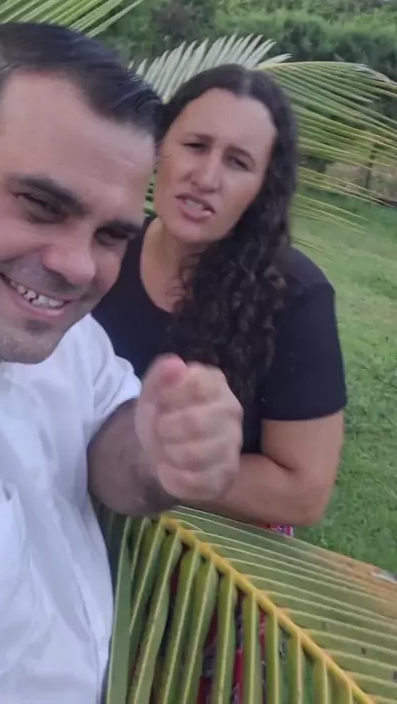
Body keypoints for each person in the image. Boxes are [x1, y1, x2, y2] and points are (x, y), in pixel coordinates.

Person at [0, 23, 244, 703]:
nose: (77, 266)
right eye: (42, 205)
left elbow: (107, 439)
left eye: (111, 235)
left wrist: (161, 451)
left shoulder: (71, 339)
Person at [93, 64, 347, 702]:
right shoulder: (102, 248)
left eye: (238, 162)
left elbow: (304, 492)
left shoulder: (294, 296)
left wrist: (155, 461)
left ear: (262, 187)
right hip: (82, 531)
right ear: (160, 146)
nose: (206, 176)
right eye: (195, 145)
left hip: (202, 578)